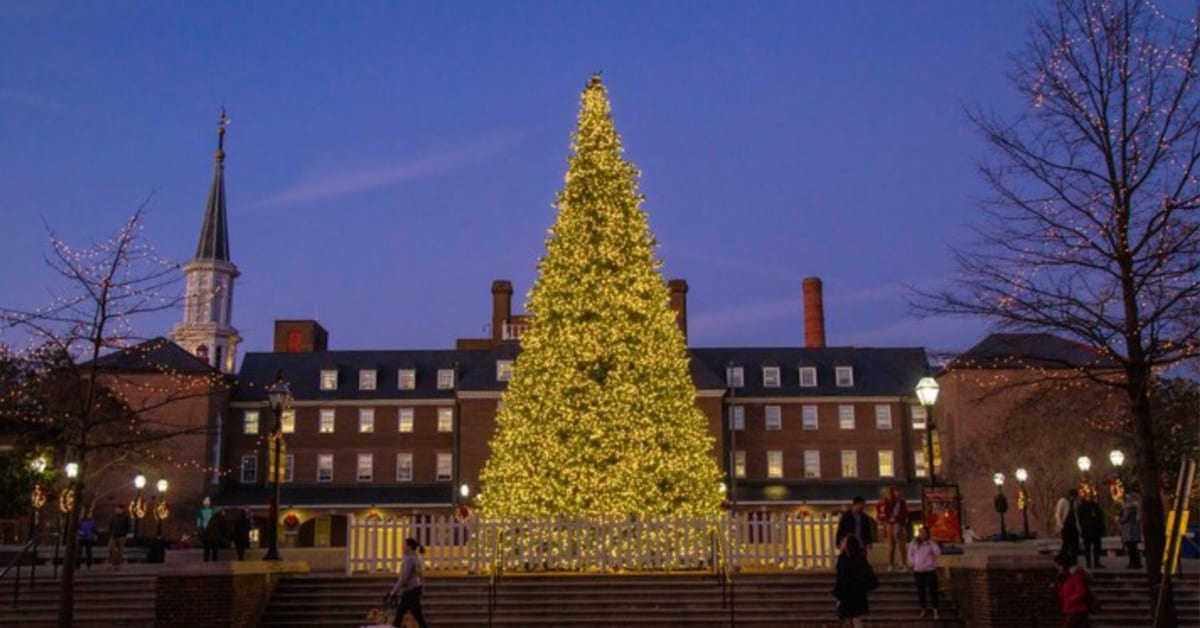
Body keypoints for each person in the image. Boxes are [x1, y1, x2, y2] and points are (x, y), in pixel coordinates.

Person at [832, 535, 876, 627]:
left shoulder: (857, 558)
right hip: (847, 592)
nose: (842, 543)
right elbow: (840, 577)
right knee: (847, 619)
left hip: (855, 592)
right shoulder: (843, 558)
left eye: (844, 541)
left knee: (856, 618)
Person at [388, 538, 428, 628]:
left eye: (404, 545)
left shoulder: (410, 559)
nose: (402, 547)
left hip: (410, 591)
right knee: (416, 615)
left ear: (409, 546)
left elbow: (404, 578)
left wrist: (393, 591)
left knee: (401, 615)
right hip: (413, 590)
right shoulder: (414, 557)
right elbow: (419, 573)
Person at [907, 525, 942, 619]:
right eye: (921, 532)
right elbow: (910, 554)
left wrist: (931, 543)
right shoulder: (914, 542)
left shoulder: (930, 543)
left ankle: (935, 609)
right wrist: (913, 563)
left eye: (924, 533)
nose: (922, 534)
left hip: (930, 570)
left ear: (927, 534)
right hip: (918, 570)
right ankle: (923, 608)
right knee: (921, 590)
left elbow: (938, 552)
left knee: (932, 590)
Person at [1053, 554, 1093, 627]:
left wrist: (1069, 599)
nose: (1057, 568)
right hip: (1071, 608)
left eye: (1058, 565)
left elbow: (1081, 592)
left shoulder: (1074, 576)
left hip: (1076, 609)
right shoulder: (1063, 578)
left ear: (1062, 565)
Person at [878, 486, 908, 571]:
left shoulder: (902, 502)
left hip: (900, 524)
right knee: (891, 545)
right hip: (890, 525)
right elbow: (883, 512)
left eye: (898, 491)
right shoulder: (887, 502)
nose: (897, 493)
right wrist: (889, 519)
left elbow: (904, 513)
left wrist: (897, 519)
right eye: (895, 491)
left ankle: (904, 563)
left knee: (902, 545)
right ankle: (890, 564)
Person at [1077, 494, 1105, 569]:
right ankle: (1088, 562)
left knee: (1097, 547)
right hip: (1087, 530)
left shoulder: (1096, 506)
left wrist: (1102, 529)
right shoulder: (1082, 507)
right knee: (1087, 548)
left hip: (1095, 530)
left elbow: (1100, 518)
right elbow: (1079, 519)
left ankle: (1096, 562)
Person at [1055, 489, 1082, 565]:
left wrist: (1078, 527)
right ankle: (1063, 559)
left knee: (1075, 544)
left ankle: (1073, 560)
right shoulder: (1063, 501)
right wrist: (1060, 525)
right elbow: (1058, 514)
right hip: (1066, 525)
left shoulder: (1074, 503)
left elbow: (1076, 515)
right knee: (1066, 543)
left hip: (1073, 526)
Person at [1119, 491, 1142, 569]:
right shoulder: (1136, 506)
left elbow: (1124, 518)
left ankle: (1133, 563)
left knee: (1131, 548)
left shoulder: (1128, 508)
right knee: (1134, 548)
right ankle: (1137, 563)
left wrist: (1119, 519)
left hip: (1129, 531)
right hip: (1135, 530)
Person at [108, 504, 131, 571]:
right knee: (110, 548)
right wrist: (110, 532)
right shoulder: (113, 517)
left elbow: (128, 526)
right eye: (116, 509)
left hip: (121, 536)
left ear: (122, 510)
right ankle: (111, 562)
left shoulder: (125, 517)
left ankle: (118, 564)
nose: (117, 510)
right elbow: (110, 525)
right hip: (113, 535)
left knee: (120, 551)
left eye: (118, 509)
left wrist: (125, 534)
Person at [197, 497, 217, 562]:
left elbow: (199, 521)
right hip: (209, 532)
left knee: (208, 548)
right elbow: (199, 520)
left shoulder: (208, 511)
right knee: (211, 548)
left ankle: (208, 559)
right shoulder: (211, 511)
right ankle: (212, 559)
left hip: (207, 532)